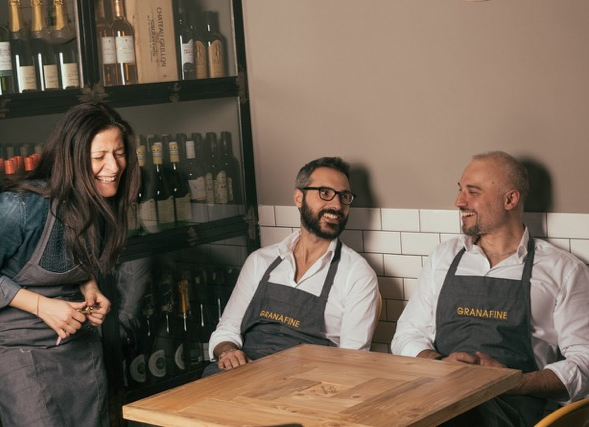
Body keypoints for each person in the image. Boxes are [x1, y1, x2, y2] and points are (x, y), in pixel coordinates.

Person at [0, 102, 140, 426]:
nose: (113, 165)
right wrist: (44, 307)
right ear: (72, 159)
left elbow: (74, 255)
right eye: (99, 157)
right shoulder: (20, 207)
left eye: (119, 152)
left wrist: (89, 286)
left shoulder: (101, 201)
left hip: (76, 342)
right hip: (17, 347)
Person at [391, 151, 589, 426]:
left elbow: (585, 361)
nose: (459, 202)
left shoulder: (564, 270)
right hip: (435, 396)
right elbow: (407, 334)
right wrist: (436, 362)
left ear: (510, 199)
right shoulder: (443, 257)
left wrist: (514, 382)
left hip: (509, 408)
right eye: (460, 191)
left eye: (472, 192)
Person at [204, 156, 379, 376]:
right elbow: (227, 330)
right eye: (325, 193)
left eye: (344, 197)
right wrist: (228, 352)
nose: (336, 205)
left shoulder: (357, 274)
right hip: (243, 373)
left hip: (307, 387)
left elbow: (353, 362)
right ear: (299, 198)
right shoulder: (260, 261)